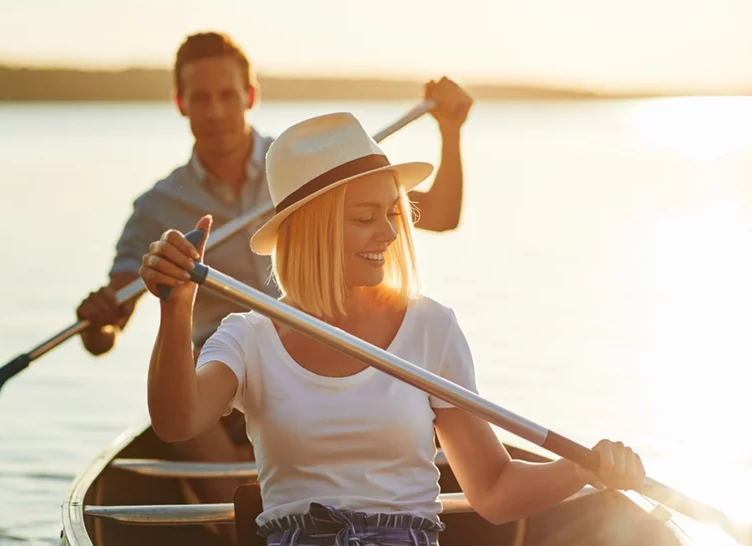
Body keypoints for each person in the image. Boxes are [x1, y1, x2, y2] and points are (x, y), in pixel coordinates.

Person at [138, 112, 646, 546]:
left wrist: (583, 469)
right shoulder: (248, 337)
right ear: (313, 228)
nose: (388, 232)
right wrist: (176, 306)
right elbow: (176, 422)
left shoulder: (430, 327)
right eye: (365, 217)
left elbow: (492, 490)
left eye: (391, 213)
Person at [76, 30, 472, 540]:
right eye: (201, 97)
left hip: (323, 359)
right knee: (202, 439)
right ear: (181, 103)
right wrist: (100, 319)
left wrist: (451, 131)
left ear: (250, 96)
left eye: (227, 95)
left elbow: (438, 213)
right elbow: (109, 327)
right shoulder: (155, 209)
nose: (216, 111)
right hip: (220, 388)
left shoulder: (305, 173)